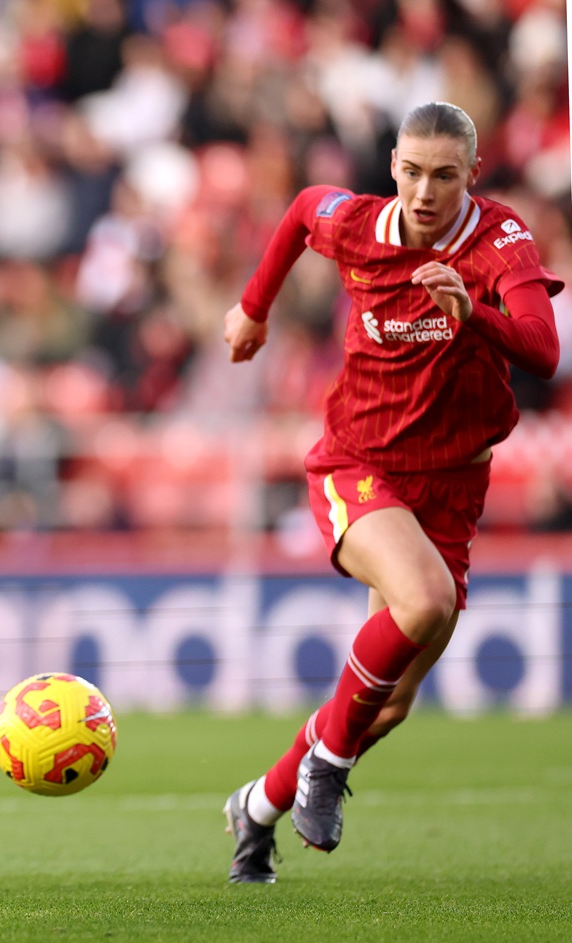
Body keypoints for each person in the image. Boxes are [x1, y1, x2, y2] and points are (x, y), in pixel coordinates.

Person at [220, 101, 562, 883]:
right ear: (393, 168)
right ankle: (330, 762)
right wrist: (252, 308)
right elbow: (304, 210)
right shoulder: (359, 226)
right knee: (426, 600)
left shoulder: (499, 238)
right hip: (360, 462)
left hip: (454, 481)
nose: (425, 191)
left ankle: (257, 807)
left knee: (391, 703)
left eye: (445, 175)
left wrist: (473, 314)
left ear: (473, 174)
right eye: (411, 172)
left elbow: (543, 349)